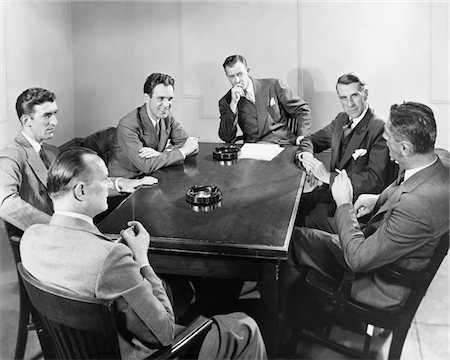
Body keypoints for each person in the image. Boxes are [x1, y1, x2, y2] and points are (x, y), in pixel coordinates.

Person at [20, 148, 267, 360]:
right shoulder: (111, 258)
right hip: (137, 353)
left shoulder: (30, 238)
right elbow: (165, 332)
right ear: (80, 191)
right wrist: (141, 259)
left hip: (80, 351)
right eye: (104, 180)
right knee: (245, 328)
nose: (109, 186)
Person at [280, 102, 449, 329]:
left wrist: (344, 203)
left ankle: (282, 324)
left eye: (388, 137)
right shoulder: (438, 160)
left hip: (375, 281)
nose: (384, 140)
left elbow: (357, 259)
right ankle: (307, 306)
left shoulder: (415, 207)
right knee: (314, 221)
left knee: (292, 241)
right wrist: (377, 199)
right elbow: (405, 185)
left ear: (406, 148)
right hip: (380, 242)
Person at [0, 88, 157, 232]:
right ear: (27, 121)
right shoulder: (11, 155)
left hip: (73, 230)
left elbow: (80, 184)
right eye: (47, 116)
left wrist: (122, 183)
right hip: (45, 239)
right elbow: (6, 204)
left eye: (55, 114)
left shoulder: (51, 152)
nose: (55, 122)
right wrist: (59, 229)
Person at [295, 73, 396, 231]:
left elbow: (375, 180)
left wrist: (327, 177)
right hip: (330, 193)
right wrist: (306, 157)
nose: (350, 104)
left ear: (365, 93)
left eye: (354, 95)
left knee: (306, 224)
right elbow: (311, 140)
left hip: (356, 205)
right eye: (343, 98)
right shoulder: (341, 120)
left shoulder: (379, 127)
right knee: (292, 207)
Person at [108, 73, 199, 178]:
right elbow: (147, 165)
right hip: (129, 185)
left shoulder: (166, 117)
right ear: (147, 98)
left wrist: (160, 155)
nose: (166, 105)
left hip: (154, 176)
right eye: (160, 98)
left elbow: (191, 145)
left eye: (169, 99)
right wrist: (182, 151)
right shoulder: (128, 125)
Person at [218, 54, 311, 144]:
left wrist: (302, 135)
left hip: (283, 144)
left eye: (240, 74)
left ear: (248, 71)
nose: (237, 80)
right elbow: (226, 137)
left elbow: (302, 109)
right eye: (231, 76)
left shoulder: (273, 85)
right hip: (254, 150)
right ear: (227, 76)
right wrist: (233, 106)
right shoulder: (227, 101)